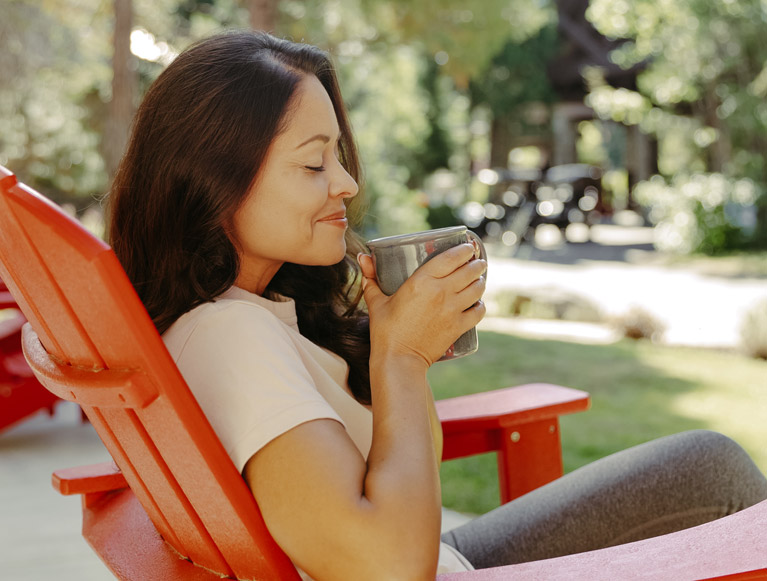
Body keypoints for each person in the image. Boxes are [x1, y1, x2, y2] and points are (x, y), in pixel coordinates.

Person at [108, 30, 767, 580]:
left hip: (445, 559)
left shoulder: (256, 311)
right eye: (313, 165)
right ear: (213, 180)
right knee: (724, 492)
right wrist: (398, 357)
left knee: (705, 466)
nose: (346, 182)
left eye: (337, 155)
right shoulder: (229, 337)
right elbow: (385, 566)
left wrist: (400, 351)